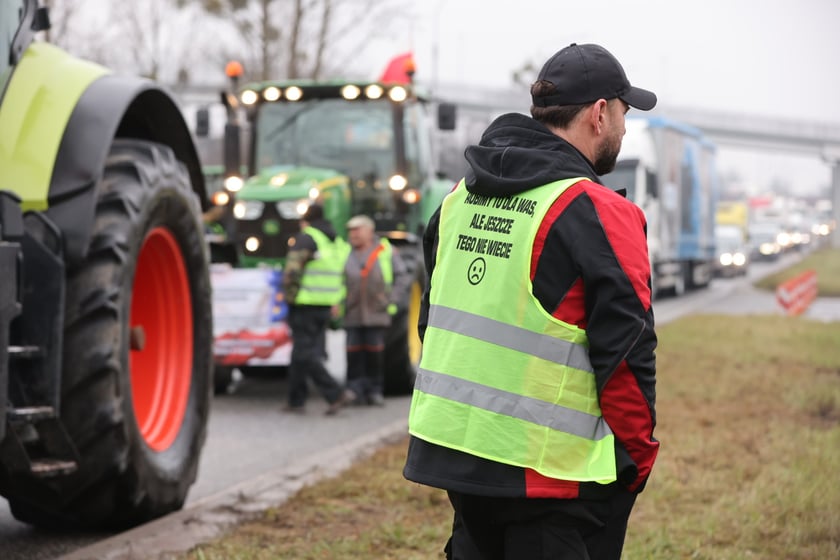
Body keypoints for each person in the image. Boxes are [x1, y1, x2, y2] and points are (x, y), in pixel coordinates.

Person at [403, 43, 660, 559]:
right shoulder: (599, 212)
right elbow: (627, 358)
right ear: (600, 113)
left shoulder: (457, 199)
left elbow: (434, 322)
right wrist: (636, 460)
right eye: (624, 113)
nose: (623, 128)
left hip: (459, 457)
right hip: (553, 476)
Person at [282, 203, 355, 415]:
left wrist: (288, 297)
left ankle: (335, 393)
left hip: (305, 303)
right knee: (302, 352)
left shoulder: (308, 237)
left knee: (305, 353)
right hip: (326, 304)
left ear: (305, 219)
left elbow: (292, 271)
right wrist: (337, 301)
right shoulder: (337, 241)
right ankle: (296, 400)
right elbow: (344, 275)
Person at [342, 214, 411, 406]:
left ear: (369, 231)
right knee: (353, 353)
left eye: (357, 230)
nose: (353, 234)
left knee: (375, 354)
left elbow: (402, 277)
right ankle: (354, 389)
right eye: (351, 231)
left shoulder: (386, 251)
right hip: (353, 312)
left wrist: (391, 300)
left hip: (376, 312)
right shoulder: (344, 251)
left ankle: (374, 390)